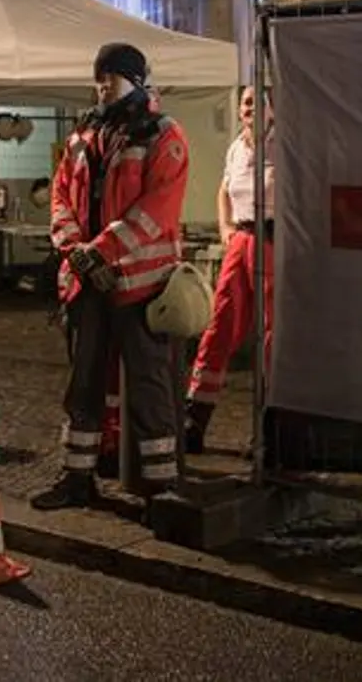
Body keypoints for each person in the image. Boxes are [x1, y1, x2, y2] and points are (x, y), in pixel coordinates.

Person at [33, 42, 192, 511]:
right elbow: (61, 195)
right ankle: (77, 477)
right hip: (88, 283)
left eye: (113, 77)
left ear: (137, 81)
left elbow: (156, 211)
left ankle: (161, 487)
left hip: (141, 287)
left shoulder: (164, 135)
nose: (103, 85)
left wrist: (98, 253)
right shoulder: (85, 134)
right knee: (83, 384)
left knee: (149, 385)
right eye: (99, 76)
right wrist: (74, 250)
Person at [183, 85, 272, 454]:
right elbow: (224, 189)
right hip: (242, 240)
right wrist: (226, 229)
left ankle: (270, 428)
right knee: (219, 325)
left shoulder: (285, 144)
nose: (249, 107)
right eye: (245, 103)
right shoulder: (237, 148)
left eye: (257, 102)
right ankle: (195, 418)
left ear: (274, 109)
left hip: (274, 241)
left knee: (273, 335)